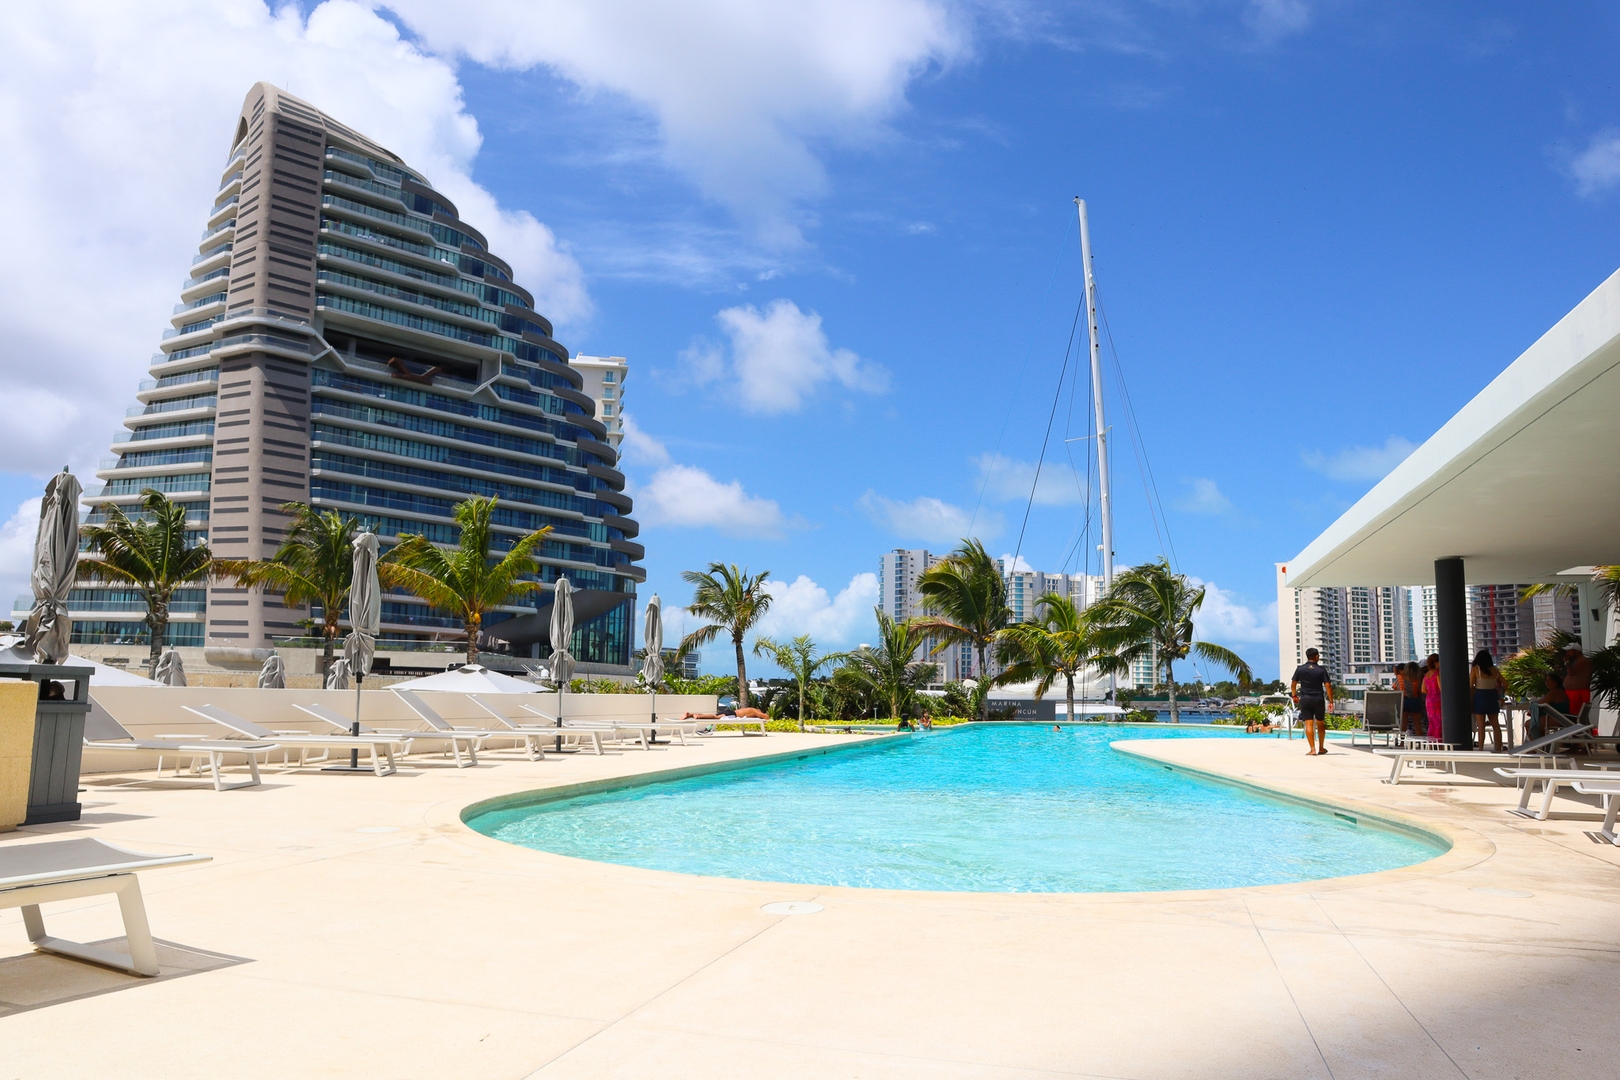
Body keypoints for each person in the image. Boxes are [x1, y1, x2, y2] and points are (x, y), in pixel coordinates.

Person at [1290, 648, 1334, 756]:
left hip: (1306, 698)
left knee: (1309, 724)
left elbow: (1293, 683)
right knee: (1320, 723)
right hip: (1318, 698)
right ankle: (1321, 747)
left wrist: (1294, 695)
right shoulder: (1321, 670)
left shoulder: (1300, 669)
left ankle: (1312, 749)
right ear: (1317, 656)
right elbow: (1328, 685)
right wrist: (1331, 701)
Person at [1470, 650, 1504, 753]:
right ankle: (1498, 748)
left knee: (1481, 726)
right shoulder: (1495, 670)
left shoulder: (1476, 669)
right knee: (1495, 725)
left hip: (1480, 696)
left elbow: (1471, 685)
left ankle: (1481, 748)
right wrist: (1500, 694)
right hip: (1492, 696)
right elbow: (1505, 683)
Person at [1563, 645, 1593, 718]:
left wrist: (1566, 662)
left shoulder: (1583, 660)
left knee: (1576, 715)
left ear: (1577, 651)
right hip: (1574, 693)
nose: (1567, 653)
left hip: (1578, 692)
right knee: (1574, 714)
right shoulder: (1577, 661)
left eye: (1570, 651)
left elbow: (1571, 673)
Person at [1398, 662, 1425, 741]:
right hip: (1415, 701)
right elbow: (1420, 691)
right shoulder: (1419, 678)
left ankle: (1402, 742)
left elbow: (1395, 688)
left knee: (1403, 725)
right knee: (1417, 724)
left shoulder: (1400, 678)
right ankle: (1420, 743)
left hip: (1404, 701)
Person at [1422, 654, 1443, 742]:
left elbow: (1423, 689)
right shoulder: (1438, 673)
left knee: (1432, 723)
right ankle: (1440, 743)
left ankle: (1431, 743)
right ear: (1435, 663)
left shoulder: (1427, 674)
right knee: (1439, 722)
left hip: (1429, 700)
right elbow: (1441, 688)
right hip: (1438, 700)